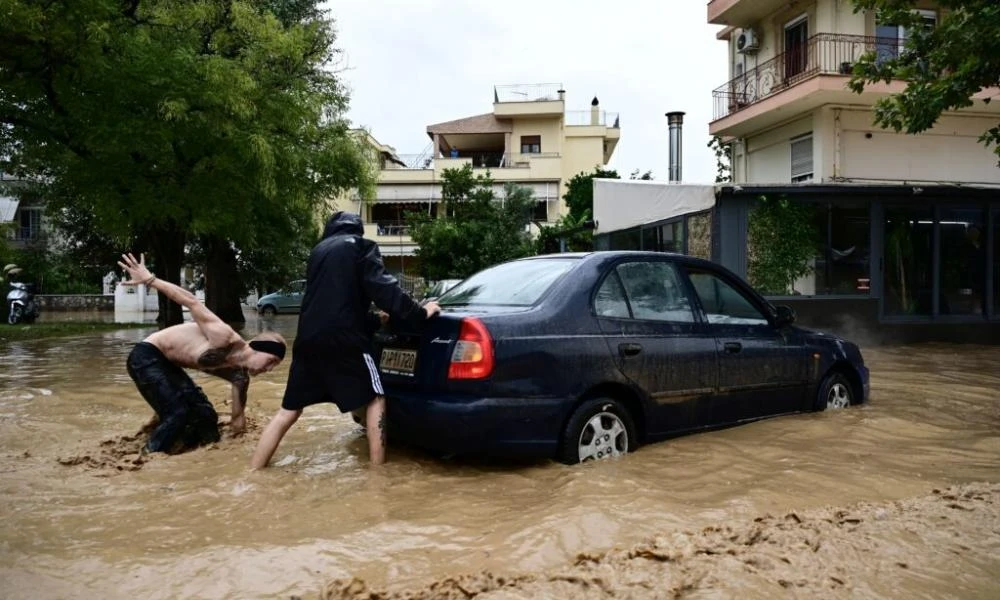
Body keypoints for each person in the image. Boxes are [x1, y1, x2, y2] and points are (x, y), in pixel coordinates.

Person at [251, 212, 441, 469]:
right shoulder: (361, 246)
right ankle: (378, 472)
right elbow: (384, 289)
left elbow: (334, 302)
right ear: (358, 230)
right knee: (376, 397)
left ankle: (254, 469)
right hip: (346, 340)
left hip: (307, 340)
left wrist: (375, 320)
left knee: (289, 410)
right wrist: (421, 313)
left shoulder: (317, 252)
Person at [117, 252, 286, 454]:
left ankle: (191, 454)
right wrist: (150, 280)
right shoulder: (225, 338)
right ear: (257, 348)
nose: (269, 369)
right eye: (272, 361)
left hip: (169, 365)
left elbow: (237, 420)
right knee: (178, 413)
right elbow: (191, 301)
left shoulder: (239, 377)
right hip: (147, 356)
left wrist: (236, 451)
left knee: (206, 416)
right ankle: (145, 458)